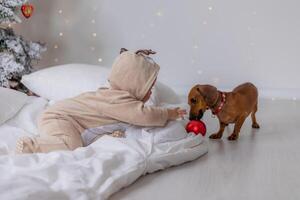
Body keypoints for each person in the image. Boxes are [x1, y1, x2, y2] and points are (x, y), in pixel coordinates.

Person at [15, 48, 186, 154]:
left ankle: (48, 141)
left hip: (63, 120)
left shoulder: (112, 96)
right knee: (70, 145)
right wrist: (168, 113)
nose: (150, 94)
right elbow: (144, 116)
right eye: (149, 88)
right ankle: (32, 146)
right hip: (60, 118)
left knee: (78, 142)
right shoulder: (119, 100)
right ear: (133, 85)